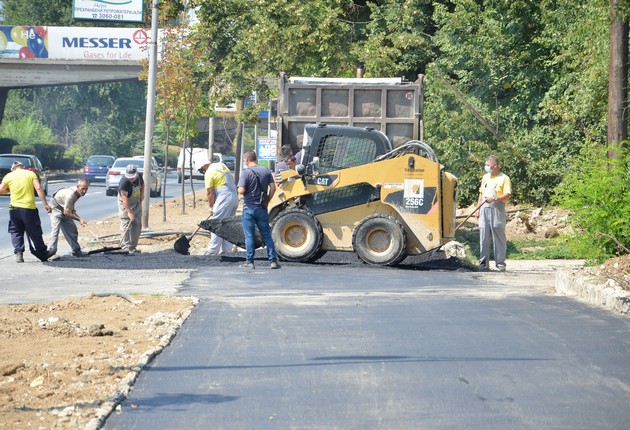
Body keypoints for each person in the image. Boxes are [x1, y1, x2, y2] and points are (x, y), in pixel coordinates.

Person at [0, 161, 52, 262]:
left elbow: (1, 190)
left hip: (14, 208)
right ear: (23, 167)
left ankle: (19, 253)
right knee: (34, 230)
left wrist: (8, 190)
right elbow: (38, 188)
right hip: (29, 208)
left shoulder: (9, 176)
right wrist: (45, 204)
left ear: (13, 168)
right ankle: (42, 252)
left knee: (16, 231)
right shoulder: (30, 174)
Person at [237, 150, 280, 269]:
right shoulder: (266, 171)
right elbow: (273, 188)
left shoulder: (246, 173)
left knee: (249, 236)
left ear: (246, 160)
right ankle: (273, 261)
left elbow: (241, 190)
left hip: (249, 208)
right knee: (266, 235)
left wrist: (240, 190)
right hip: (262, 208)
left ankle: (250, 262)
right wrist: (267, 201)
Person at [475, 155, 512, 271]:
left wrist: (495, 198)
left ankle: (500, 263)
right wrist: (478, 208)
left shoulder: (504, 178)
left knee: (498, 235)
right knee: (484, 234)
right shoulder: (485, 177)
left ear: (495, 166)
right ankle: (483, 263)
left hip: (497, 208)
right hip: (484, 207)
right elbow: (481, 193)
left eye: (488, 165)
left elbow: (507, 195)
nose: (486, 167)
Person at [198, 159, 239, 255]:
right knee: (228, 225)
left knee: (216, 224)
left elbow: (210, 193)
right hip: (234, 196)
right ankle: (227, 251)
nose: (202, 171)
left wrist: (211, 207)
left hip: (224, 197)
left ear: (204, 166)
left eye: (201, 170)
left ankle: (213, 251)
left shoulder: (209, 172)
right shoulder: (221, 165)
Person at [46, 179, 89, 259]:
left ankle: (76, 250)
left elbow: (69, 205)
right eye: (82, 188)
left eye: (86, 189)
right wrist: (79, 219)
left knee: (72, 228)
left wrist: (71, 208)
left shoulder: (78, 193)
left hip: (64, 207)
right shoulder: (71, 194)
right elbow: (66, 213)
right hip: (55, 206)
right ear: (77, 187)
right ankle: (51, 252)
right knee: (55, 229)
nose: (84, 191)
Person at [118, 164, 144, 254]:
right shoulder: (124, 182)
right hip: (125, 202)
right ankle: (125, 246)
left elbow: (142, 184)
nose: (131, 179)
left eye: (132, 177)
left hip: (136, 202)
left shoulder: (139, 176)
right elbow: (124, 198)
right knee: (126, 223)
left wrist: (142, 195)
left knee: (137, 224)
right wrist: (129, 211)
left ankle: (132, 247)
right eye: (129, 177)